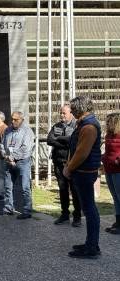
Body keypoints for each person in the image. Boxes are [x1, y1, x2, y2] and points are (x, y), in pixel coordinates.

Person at [64, 96, 101, 259]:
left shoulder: (89, 127)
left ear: (80, 108)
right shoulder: (84, 124)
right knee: (88, 208)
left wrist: (69, 168)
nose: (71, 110)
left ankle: (92, 248)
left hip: (84, 173)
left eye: (73, 108)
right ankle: (90, 243)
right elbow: (75, 148)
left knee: (89, 209)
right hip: (82, 172)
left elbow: (82, 153)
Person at [47, 104, 81, 227]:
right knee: (62, 189)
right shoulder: (56, 126)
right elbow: (49, 140)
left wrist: (60, 139)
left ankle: (77, 216)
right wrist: (64, 142)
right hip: (58, 162)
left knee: (75, 190)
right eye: (60, 113)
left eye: (64, 113)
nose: (61, 115)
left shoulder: (77, 126)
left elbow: (75, 141)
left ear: (71, 113)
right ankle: (64, 215)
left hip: (72, 163)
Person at [0, 111, 35, 220]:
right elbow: (2, 145)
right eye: (12, 119)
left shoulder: (27, 131)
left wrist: (13, 157)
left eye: (16, 120)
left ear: (22, 120)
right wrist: (6, 156)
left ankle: (27, 210)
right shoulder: (8, 130)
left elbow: (26, 149)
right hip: (9, 162)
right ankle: (8, 208)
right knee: (8, 186)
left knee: (25, 187)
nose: (13, 121)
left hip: (22, 162)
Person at [102, 112, 120, 234]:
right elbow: (107, 152)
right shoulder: (108, 135)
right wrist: (103, 158)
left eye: (109, 122)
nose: (107, 124)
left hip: (118, 170)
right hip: (109, 169)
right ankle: (118, 220)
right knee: (115, 196)